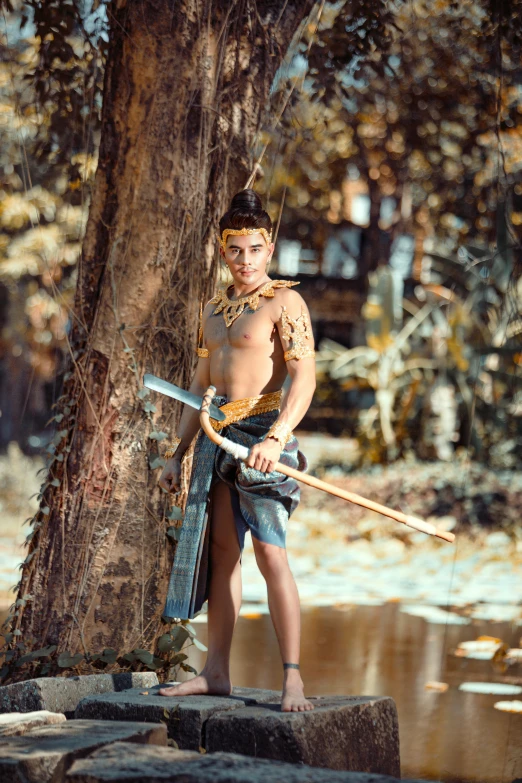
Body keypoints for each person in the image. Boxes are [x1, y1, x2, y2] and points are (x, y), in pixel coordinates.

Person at [157, 188, 316, 712]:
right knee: (223, 556)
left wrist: (276, 438)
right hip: (217, 438)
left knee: (271, 553)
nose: (245, 261)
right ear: (223, 251)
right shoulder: (212, 310)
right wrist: (176, 454)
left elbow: (305, 379)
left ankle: (292, 677)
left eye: (254, 249)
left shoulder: (284, 302)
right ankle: (216, 673)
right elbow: (199, 384)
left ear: (268, 250)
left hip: (265, 435)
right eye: (235, 250)